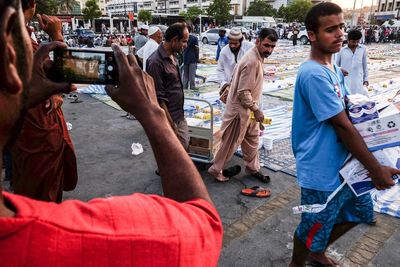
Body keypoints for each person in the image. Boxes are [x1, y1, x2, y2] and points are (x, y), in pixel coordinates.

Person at [0, 1, 223, 265]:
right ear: (9, 56)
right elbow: (203, 225)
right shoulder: (77, 239)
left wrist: (21, 96)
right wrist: (153, 115)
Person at [289, 3, 400, 267]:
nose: (339, 33)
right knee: (312, 225)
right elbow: (342, 126)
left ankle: (317, 252)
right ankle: (296, 263)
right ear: (312, 35)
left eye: (340, 26)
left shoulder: (333, 69)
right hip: (322, 170)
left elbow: (351, 112)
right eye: (330, 29)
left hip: (345, 166)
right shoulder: (313, 74)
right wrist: (375, 169)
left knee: (358, 213)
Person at [11, 0, 78, 203]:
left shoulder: (17, 38)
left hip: (25, 133)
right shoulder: (20, 42)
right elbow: (68, 75)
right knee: (42, 200)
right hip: (40, 132)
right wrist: (57, 36)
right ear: (32, 5)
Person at [207, 28, 278, 182]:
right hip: (240, 110)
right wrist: (256, 110)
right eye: (266, 45)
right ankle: (216, 170)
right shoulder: (252, 61)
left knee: (252, 140)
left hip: (249, 109)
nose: (269, 50)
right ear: (257, 41)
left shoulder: (257, 56)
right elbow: (243, 92)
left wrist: (255, 109)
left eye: (272, 46)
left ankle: (253, 168)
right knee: (230, 142)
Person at [147, 23, 190, 150]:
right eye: (184, 41)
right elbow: (159, 100)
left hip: (178, 115)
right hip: (169, 119)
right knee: (176, 154)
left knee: (182, 149)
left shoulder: (173, 56)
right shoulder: (156, 62)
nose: (185, 45)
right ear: (174, 40)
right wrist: (171, 127)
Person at [336, 29, 369, 96]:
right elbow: (336, 66)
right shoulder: (341, 50)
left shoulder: (363, 49)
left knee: (358, 101)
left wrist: (366, 79)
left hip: (358, 81)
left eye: (358, 41)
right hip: (345, 81)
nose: (356, 44)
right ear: (348, 40)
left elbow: (365, 65)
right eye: (353, 42)